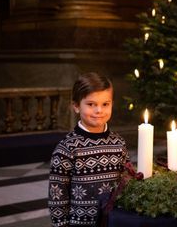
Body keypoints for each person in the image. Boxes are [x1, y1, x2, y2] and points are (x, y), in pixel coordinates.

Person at [48, 72, 130, 226]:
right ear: (76, 106)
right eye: (91, 104)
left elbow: (126, 182)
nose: (99, 110)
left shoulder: (119, 143)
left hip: (113, 221)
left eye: (105, 104)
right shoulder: (66, 149)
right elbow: (57, 197)